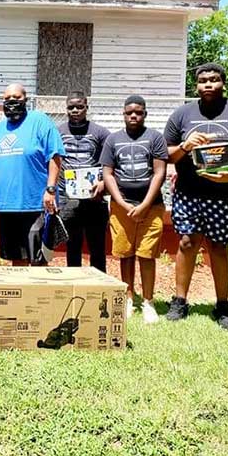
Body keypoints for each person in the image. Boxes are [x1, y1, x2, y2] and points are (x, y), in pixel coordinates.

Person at [164, 63, 228, 329]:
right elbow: (166, 155)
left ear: (223, 83)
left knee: (219, 247)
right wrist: (185, 145)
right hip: (188, 192)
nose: (208, 84)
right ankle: (180, 301)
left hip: (226, 195)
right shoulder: (183, 114)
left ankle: (223, 306)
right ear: (196, 86)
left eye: (214, 80)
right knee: (186, 243)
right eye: (203, 80)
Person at [100, 95, 168, 324]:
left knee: (147, 254)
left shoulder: (155, 138)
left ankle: (148, 302)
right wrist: (121, 202)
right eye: (129, 112)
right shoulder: (113, 139)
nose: (133, 116)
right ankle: (128, 299)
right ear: (123, 114)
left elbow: (159, 172)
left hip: (152, 206)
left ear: (145, 114)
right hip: (122, 207)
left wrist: (146, 204)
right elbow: (107, 174)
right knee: (125, 254)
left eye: (138, 112)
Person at [0, 83, 65, 265]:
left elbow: (54, 155)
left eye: (16, 98)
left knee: (37, 262)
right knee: (16, 260)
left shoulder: (39, 120)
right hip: (7, 205)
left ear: (26, 100)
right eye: (7, 99)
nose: (11, 102)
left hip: (34, 204)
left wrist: (51, 189)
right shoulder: (1, 128)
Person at [58, 91, 110, 271]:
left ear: (87, 107)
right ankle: (75, 284)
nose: (75, 111)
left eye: (79, 107)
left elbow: (111, 161)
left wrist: (103, 183)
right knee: (72, 245)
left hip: (95, 198)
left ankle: (100, 286)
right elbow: (52, 161)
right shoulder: (58, 132)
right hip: (68, 198)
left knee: (97, 247)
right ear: (66, 109)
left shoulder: (100, 132)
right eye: (71, 107)